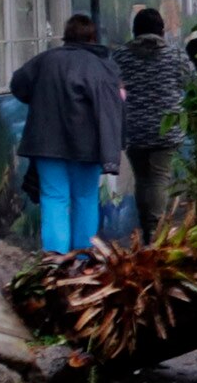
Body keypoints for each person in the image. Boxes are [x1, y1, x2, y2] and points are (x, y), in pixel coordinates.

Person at [9, 13, 126, 255]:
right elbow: (112, 106)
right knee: (85, 198)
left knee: (54, 197)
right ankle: (83, 261)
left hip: (46, 144)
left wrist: (39, 98)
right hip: (88, 146)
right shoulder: (101, 66)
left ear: (66, 36)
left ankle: (55, 260)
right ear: (94, 37)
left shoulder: (45, 61)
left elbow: (18, 85)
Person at [117, 5, 190, 238]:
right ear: (161, 30)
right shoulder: (175, 55)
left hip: (134, 128)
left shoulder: (121, 56)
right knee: (159, 177)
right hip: (166, 128)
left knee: (142, 178)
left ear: (135, 30)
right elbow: (190, 80)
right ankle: (154, 229)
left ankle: (146, 223)